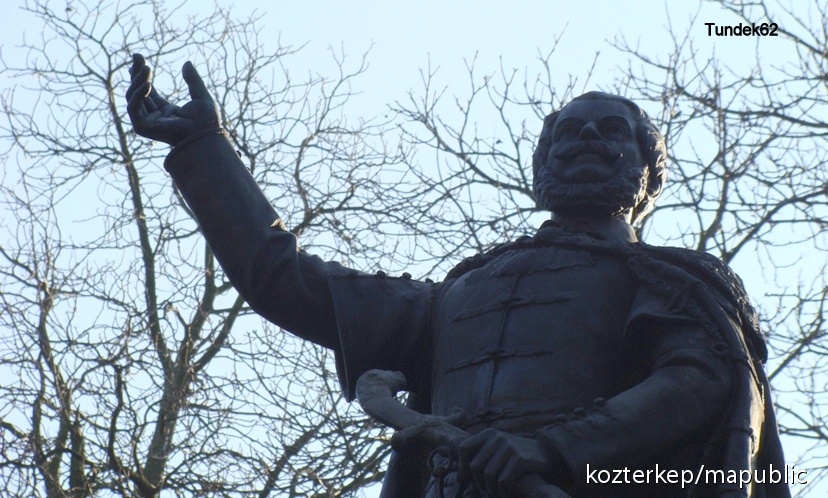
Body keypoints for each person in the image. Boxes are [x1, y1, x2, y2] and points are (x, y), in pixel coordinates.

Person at [126, 54, 789, 498]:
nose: (587, 138)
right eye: (569, 133)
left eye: (611, 131)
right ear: (541, 167)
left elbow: (699, 380)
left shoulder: (677, 282)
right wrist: (202, 149)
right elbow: (283, 279)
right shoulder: (457, 295)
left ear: (649, 175)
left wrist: (554, 449)